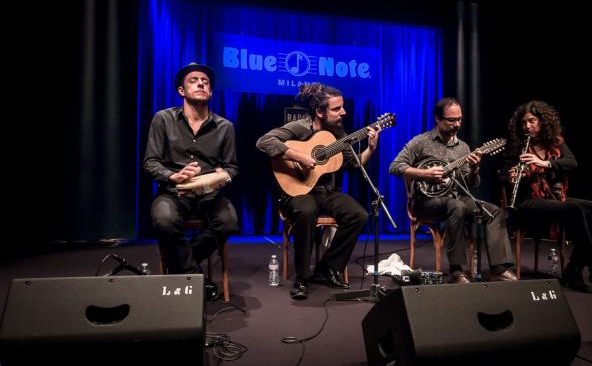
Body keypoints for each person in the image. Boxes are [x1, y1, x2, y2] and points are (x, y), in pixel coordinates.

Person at [256, 83, 380, 300]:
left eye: (343, 107)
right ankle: (302, 278)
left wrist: (370, 149)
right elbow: (264, 142)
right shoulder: (299, 128)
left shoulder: (339, 133)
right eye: (337, 109)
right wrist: (299, 156)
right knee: (306, 211)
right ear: (319, 111)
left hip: (327, 192)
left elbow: (353, 165)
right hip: (297, 192)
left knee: (358, 215)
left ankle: (328, 267)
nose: (344, 112)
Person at [389, 97, 516, 283]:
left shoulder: (463, 147)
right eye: (451, 120)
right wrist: (425, 173)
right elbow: (394, 166)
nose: (457, 124)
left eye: (459, 120)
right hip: (425, 202)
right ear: (437, 119)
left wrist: (474, 169)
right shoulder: (421, 142)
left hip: (454, 199)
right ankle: (457, 272)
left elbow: (471, 184)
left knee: (494, 212)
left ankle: (499, 269)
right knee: (457, 206)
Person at [143, 62, 239, 300]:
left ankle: (181, 267)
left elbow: (232, 167)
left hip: (209, 194)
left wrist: (222, 176)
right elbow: (150, 162)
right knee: (164, 220)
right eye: (194, 80)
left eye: (205, 81)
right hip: (174, 192)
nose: (200, 83)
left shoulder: (225, 127)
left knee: (229, 223)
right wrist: (172, 176)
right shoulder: (163, 119)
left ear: (211, 91)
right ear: (181, 90)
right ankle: (194, 275)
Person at [502, 100, 592, 295]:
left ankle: (573, 269)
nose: (527, 126)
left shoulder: (556, 142)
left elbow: (572, 163)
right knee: (572, 210)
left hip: (553, 198)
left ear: (543, 121)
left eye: (532, 121)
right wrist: (514, 176)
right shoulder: (517, 145)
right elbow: (503, 175)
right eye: (524, 123)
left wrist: (545, 164)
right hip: (526, 201)